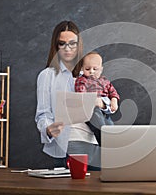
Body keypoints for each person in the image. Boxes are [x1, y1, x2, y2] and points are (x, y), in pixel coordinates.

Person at [35, 20, 102, 170]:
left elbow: (106, 98)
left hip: (93, 143)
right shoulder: (48, 76)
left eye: (72, 43)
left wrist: (102, 102)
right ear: (56, 46)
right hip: (67, 144)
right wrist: (48, 128)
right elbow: (42, 114)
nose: (68, 48)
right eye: (62, 43)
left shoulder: (88, 72)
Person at [75, 52, 120, 146]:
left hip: (104, 111)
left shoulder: (105, 81)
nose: (91, 71)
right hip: (91, 110)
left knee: (110, 127)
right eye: (87, 69)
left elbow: (113, 92)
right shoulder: (82, 80)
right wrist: (91, 100)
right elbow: (81, 94)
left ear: (101, 70)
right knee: (99, 125)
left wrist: (114, 101)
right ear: (82, 69)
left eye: (95, 69)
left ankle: (113, 144)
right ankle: (104, 144)